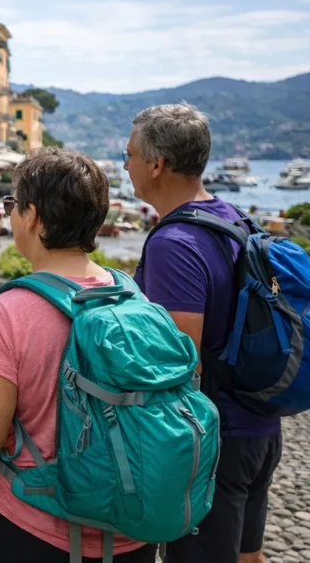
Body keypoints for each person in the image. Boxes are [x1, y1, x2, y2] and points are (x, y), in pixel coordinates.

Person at [0, 147, 157, 563]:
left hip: (34, 532)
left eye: (12, 204)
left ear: (33, 216)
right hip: (130, 532)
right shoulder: (132, 296)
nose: (9, 214)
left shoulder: (8, 313)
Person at [125, 103, 281, 563]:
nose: (125, 165)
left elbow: (177, 361)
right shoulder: (235, 219)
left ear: (157, 164)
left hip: (214, 440)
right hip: (260, 425)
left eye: (129, 154)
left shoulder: (175, 244)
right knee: (248, 556)